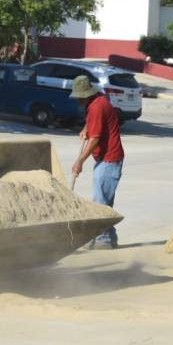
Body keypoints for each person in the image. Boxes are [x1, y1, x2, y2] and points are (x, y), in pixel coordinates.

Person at [70, 75, 124, 249]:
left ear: (85, 95)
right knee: (103, 201)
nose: (77, 100)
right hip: (106, 158)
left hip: (109, 159)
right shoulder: (97, 101)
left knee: (100, 203)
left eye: (79, 97)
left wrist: (80, 161)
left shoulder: (96, 107)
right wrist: (86, 127)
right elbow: (95, 125)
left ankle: (104, 241)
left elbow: (94, 139)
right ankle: (110, 238)